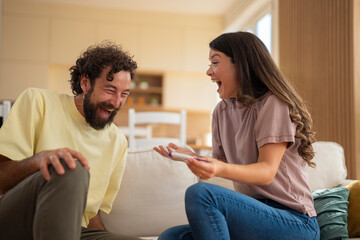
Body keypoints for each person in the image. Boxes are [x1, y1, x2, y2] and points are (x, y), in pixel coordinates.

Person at [154, 31, 320, 240]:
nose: (208, 71)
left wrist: (218, 167)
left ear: (241, 64)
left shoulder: (272, 103)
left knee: (201, 194)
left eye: (215, 63)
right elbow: (221, 166)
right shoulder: (221, 112)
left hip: (294, 222)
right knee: (171, 236)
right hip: (252, 214)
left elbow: (266, 171)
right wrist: (193, 157)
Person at [0, 42, 141, 240]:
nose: (116, 102)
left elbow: (91, 214)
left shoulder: (117, 141)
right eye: (110, 90)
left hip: (71, 231)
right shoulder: (38, 101)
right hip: (17, 221)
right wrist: (39, 161)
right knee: (69, 167)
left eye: (124, 94)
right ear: (85, 83)